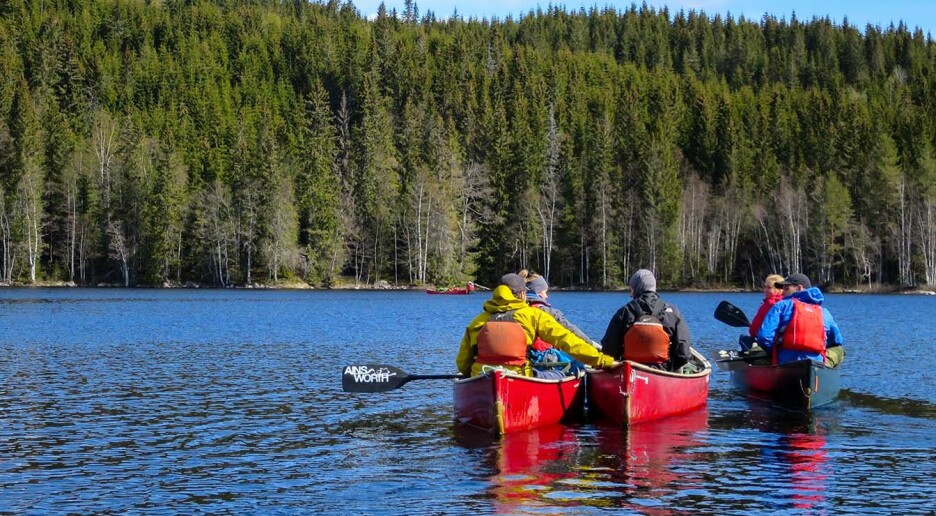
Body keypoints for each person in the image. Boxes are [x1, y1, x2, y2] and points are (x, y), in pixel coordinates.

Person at [455, 273, 616, 378]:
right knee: (562, 375)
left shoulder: (477, 322)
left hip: (482, 377)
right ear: (523, 294)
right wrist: (603, 361)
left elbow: (462, 363)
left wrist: (472, 376)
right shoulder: (534, 316)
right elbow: (570, 342)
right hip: (519, 377)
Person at [600, 269, 692, 372]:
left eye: (631, 289)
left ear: (638, 289)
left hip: (630, 370)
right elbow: (683, 352)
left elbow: (609, 349)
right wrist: (672, 367)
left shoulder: (624, 312)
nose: (630, 295)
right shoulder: (673, 312)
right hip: (663, 372)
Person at [755, 273, 845, 367]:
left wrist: (773, 352)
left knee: (755, 350)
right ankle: (824, 371)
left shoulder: (781, 306)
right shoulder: (824, 312)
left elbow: (764, 337)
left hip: (785, 362)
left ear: (799, 288)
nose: (782, 292)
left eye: (786, 288)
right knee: (839, 350)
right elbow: (837, 341)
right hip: (815, 364)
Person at [519, 270, 602, 349]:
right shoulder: (549, 312)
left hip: (523, 355)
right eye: (545, 292)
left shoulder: (516, 309)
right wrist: (592, 344)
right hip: (543, 357)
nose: (546, 296)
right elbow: (572, 330)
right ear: (537, 292)